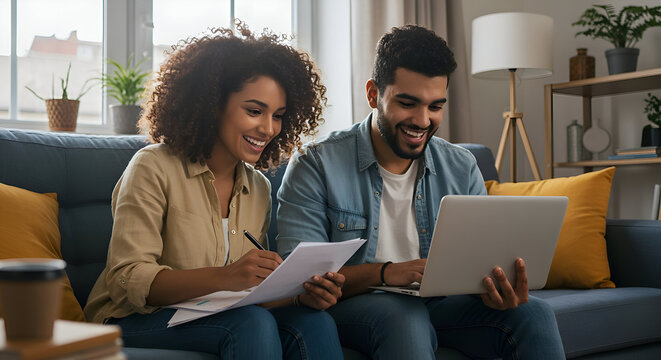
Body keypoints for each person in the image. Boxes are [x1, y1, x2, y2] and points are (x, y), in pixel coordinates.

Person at [276, 25, 565, 359]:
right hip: (355, 308)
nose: (423, 120)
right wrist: (384, 273)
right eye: (408, 103)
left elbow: (476, 262)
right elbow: (297, 279)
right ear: (373, 94)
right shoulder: (316, 164)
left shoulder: (461, 165)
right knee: (403, 316)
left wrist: (495, 287)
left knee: (534, 314)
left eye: (435, 106)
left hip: (440, 304)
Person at [84, 23, 344, 360]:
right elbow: (128, 277)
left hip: (213, 314)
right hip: (130, 319)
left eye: (278, 116)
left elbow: (247, 291)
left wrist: (301, 294)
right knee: (250, 323)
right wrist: (226, 276)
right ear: (212, 104)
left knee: (315, 322)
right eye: (254, 111)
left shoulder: (258, 187)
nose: (268, 128)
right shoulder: (152, 166)